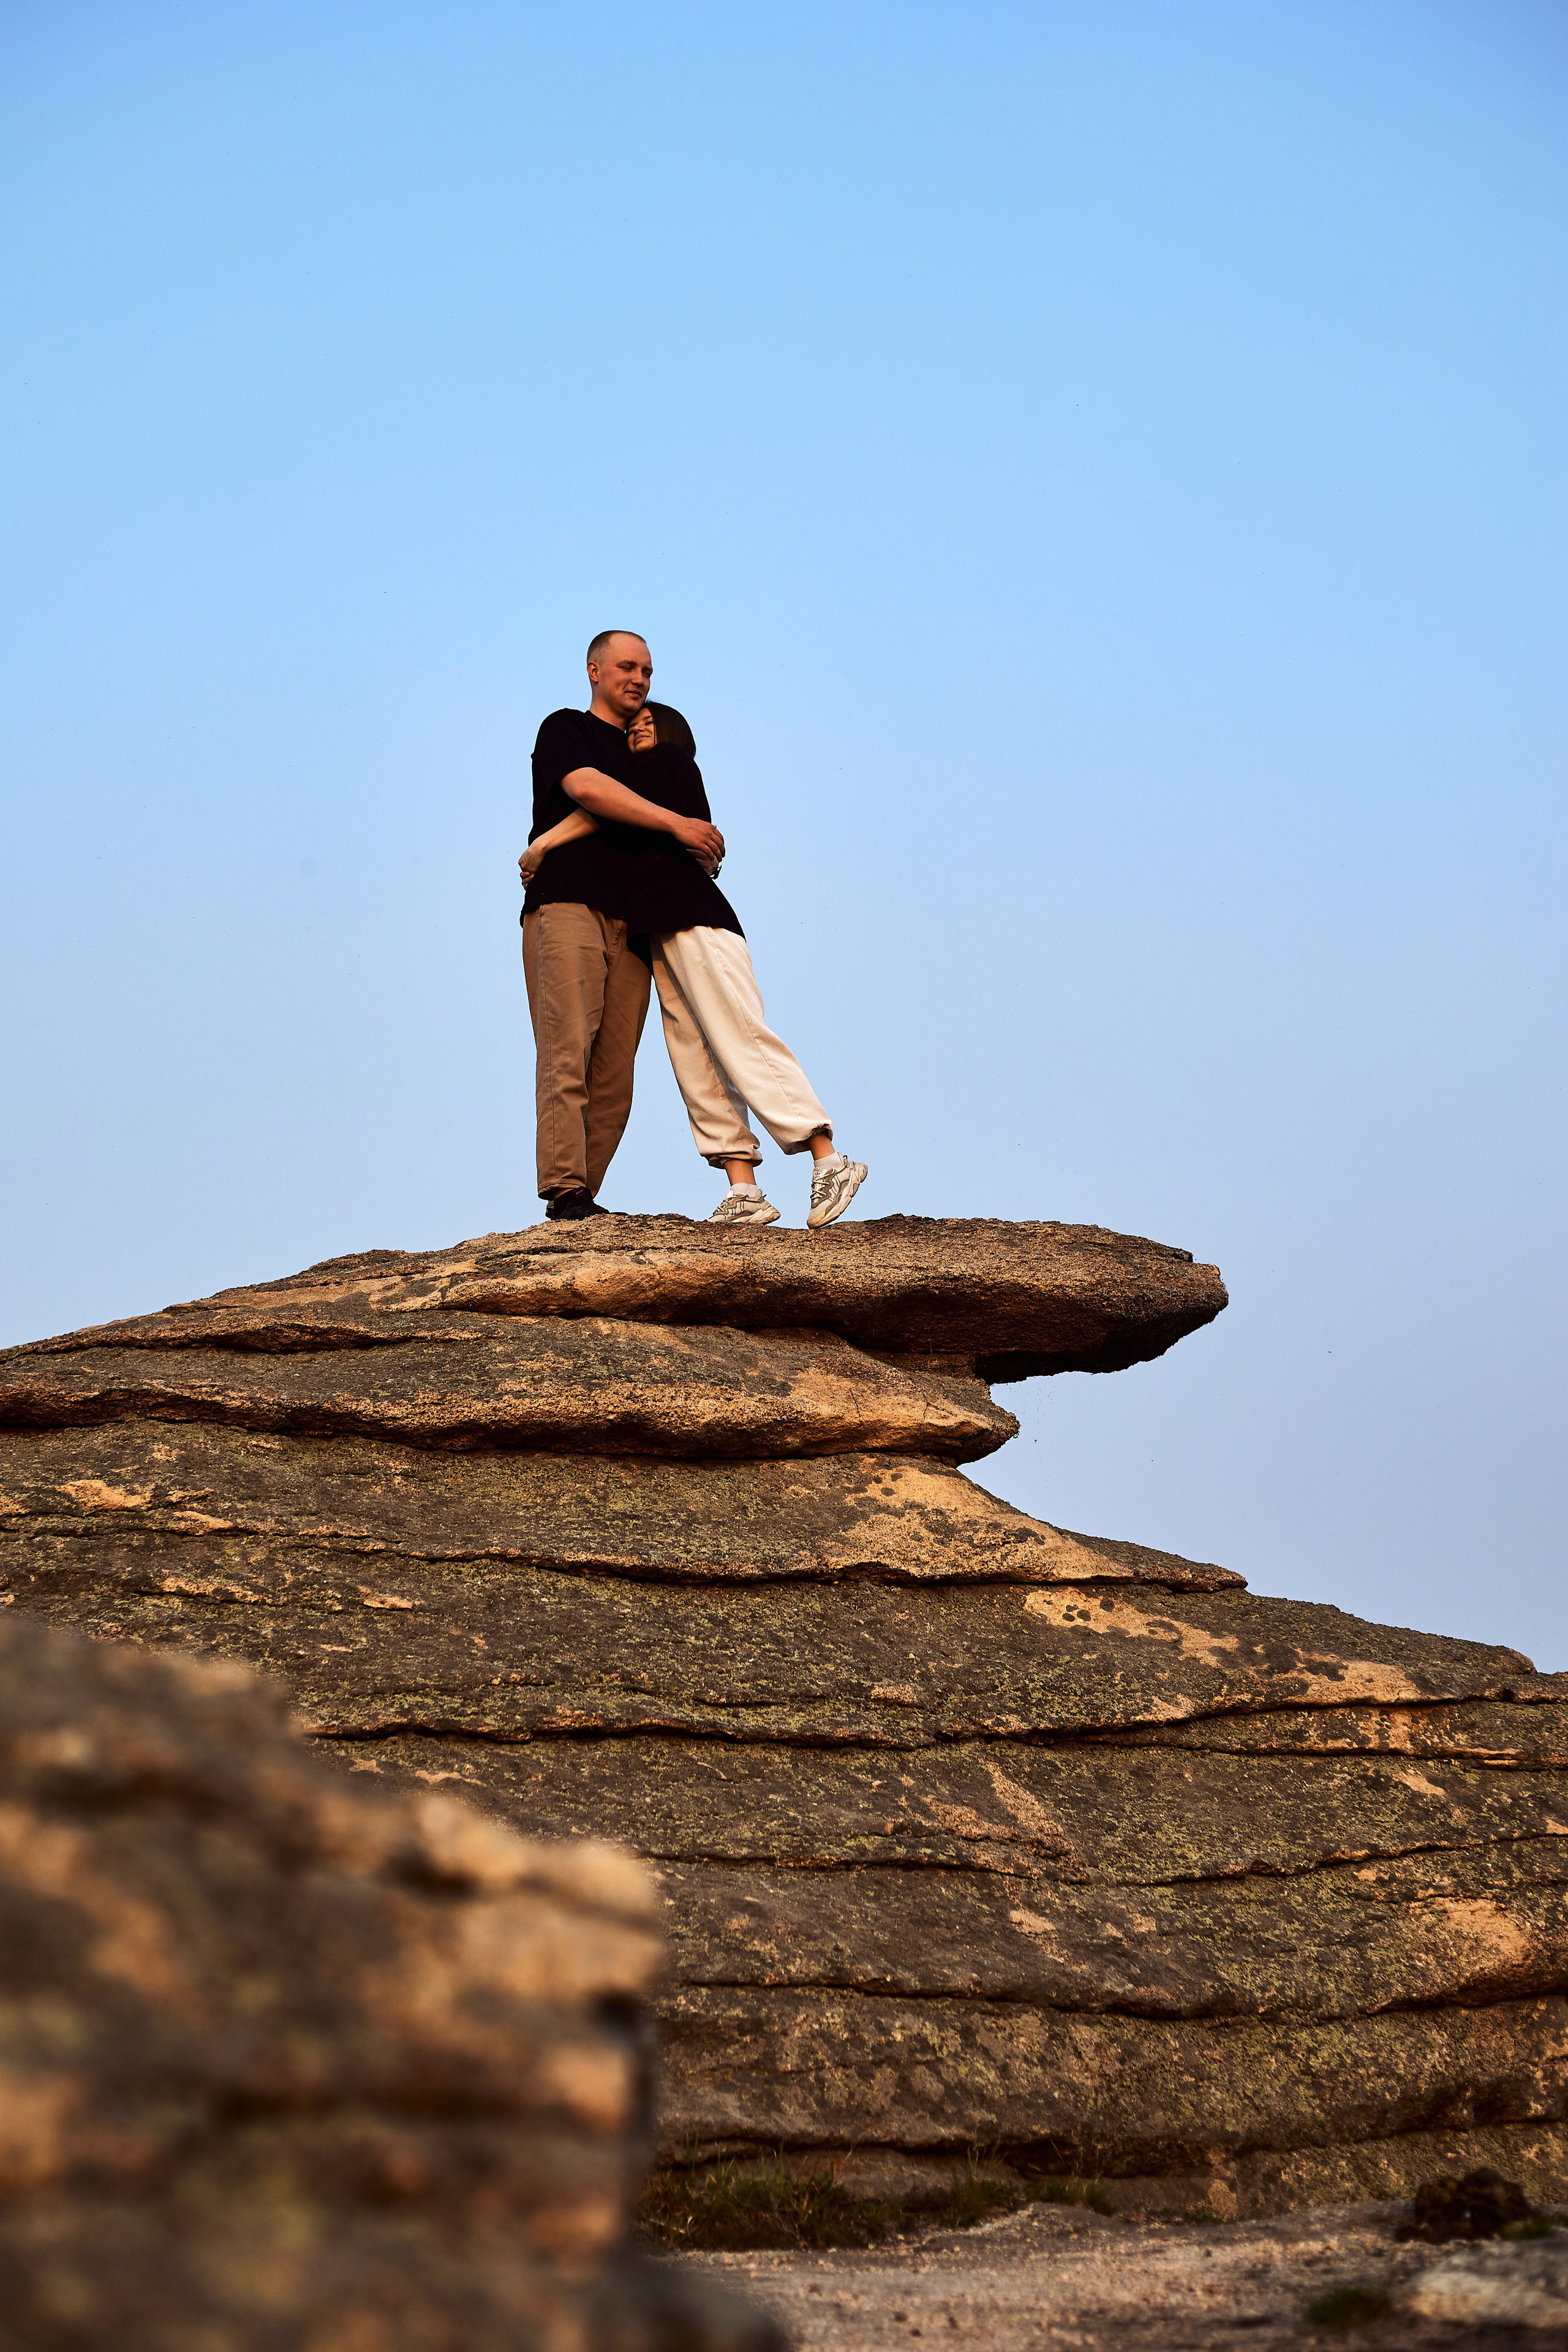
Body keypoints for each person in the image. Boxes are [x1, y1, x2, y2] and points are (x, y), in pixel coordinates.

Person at [521, 698, 868, 1230]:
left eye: (647, 725)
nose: (638, 730)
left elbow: (600, 809)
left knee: (739, 1037)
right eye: (634, 726)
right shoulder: (646, 782)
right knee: (696, 1057)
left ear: (671, 734)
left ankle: (828, 1158)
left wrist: (544, 842)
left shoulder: (669, 765)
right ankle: (744, 1189)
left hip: (697, 921)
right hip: (660, 934)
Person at [519, 631, 722, 1220]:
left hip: (636, 921)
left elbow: (700, 836)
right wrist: (673, 823)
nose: (640, 679)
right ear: (594, 670)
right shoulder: (566, 729)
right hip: (570, 904)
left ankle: (579, 1199)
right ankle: (564, 1186)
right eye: (628, 667)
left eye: (649, 672)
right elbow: (589, 790)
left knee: (615, 1075)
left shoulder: (649, 754)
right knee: (567, 1052)